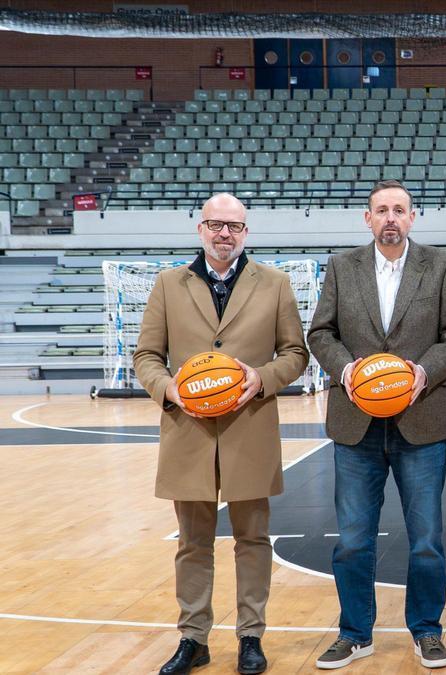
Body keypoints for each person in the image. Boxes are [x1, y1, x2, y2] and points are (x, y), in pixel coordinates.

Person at [133, 193, 309, 675]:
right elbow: (146, 355)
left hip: (248, 426)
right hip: (187, 428)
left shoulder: (274, 284)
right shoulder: (169, 284)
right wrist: (169, 388)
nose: (224, 233)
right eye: (215, 224)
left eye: (233, 226)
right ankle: (193, 638)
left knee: (253, 539)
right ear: (201, 230)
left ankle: (251, 635)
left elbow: (295, 353)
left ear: (246, 232)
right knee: (193, 542)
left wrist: (262, 379)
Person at [307, 180, 446, 670]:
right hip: (356, 422)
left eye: (399, 210)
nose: (391, 218)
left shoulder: (440, 266)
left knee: (426, 540)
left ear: (413, 218)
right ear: (368, 218)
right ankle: (356, 634)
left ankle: (426, 631)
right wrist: (346, 369)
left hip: (421, 419)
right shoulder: (342, 266)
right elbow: (320, 332)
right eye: (382, 210)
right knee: (353, 539)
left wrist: (424, 371)